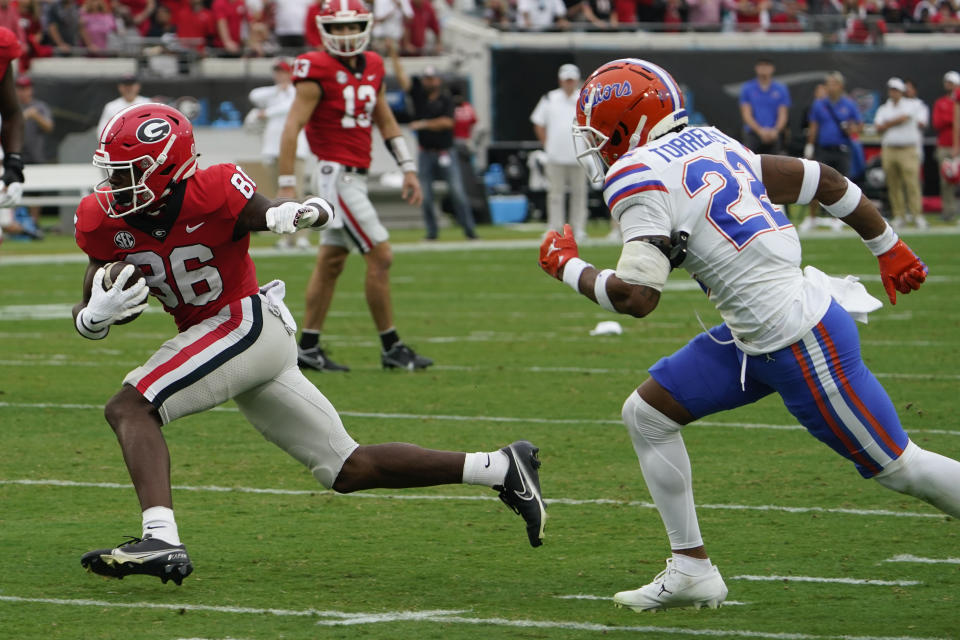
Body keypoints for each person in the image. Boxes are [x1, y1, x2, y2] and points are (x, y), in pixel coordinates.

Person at [540, 57, 959, 612]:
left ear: (625, 124)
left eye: (599, 133)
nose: (596, 146)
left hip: (800, 339)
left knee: (900, 467)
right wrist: (888, 246)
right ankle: (691, 568)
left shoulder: (636, 174)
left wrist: (567, 266)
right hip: (755, 336)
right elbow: (824, 181)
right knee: (647, 414)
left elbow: (637, 298)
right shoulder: (712, 141)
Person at [73, 102, 546, 586]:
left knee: (131, 407)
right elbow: (86, 303)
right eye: (113, 172)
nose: (117, 185)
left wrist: (292, 213)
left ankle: (161, 538)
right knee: (347, 468)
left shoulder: (213, 187)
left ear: (171, 168)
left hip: (243, 323)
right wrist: (93, 316)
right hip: (238, 340)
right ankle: (499, 467)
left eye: (130, 172)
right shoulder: (101, 218)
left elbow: (264, 209)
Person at [277, 0, 433, 372]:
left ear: (365, 26)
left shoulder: (375, 64)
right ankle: (392, 347)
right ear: (324, 31)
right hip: (335, 176)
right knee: (380, 256)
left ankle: (308, 348)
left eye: (352, 27)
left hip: (355, 175)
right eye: (338, 28)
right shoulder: (315, 67)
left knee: (331, 261)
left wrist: (408, 168)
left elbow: (386, 120)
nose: (346, 35)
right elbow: (292, 126)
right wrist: (286, 185)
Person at [390, 52, 478, 240]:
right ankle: (432, 232)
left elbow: (448, 122)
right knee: (426, 196)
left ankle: (470, 230)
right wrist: (393, 56)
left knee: (457, 193)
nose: (429, 82)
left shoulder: (446, 99)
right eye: (427, 79)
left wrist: (423, 124)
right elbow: (402, 79)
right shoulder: (419, 96)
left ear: (438, 80)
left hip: (446, 151)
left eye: (432, 79)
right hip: (425, 152)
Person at [246, 58, 312, 250]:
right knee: (279, 195)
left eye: (283, 72)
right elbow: (254, 95)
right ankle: (285, 237)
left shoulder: (297, 92)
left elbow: (289, 107)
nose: (280, 76)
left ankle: (302, 236)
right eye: (278, 72)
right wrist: (276, 92)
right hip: (273, 149)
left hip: (295, 150)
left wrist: (265, 113)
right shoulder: (272, 94)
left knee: (297, 191)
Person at [530, 63, 588, 241]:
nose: (569, 83)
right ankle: (554, 228)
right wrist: (547, 144)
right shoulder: (550, 98)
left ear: (577, 81)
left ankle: (578, 228)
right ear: (561, 81)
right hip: (555, 156)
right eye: (566, 80)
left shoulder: (583, 99)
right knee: (555, 194)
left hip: (578, 155)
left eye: (571, 80)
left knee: (579, 194)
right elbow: (538, 123)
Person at [801, 71, 862, 232]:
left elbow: (859, 125)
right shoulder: (819, 104)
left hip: (842, 148)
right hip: (823, 149)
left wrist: (852, 129)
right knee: (815, 182)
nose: (829, 86)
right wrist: (810, 146)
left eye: (832, 83)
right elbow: (814, 127)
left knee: (842, 184)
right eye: (828, 83)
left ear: (840, 86)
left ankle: (838, 218)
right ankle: (812, 217)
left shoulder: (849, 104)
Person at [875, 77, 927, 230]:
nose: (893, 93)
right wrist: (890, 123)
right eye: (891, 90)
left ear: (901, 92)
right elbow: (878, 127)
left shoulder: (913, 104)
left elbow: (904, 118)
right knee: (893, 184)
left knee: (912, 183)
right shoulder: (884, 108)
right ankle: (899, 215)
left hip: (908, 149)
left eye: (896, 90)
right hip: (890, 149)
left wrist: (887, 124)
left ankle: (917, 215)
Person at [739, 58, 790, 155]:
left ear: (772, 68)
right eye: (761, 66)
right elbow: (746, 114)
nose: (764, 68)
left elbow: (783, 114)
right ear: (756, 68)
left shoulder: (781, 89)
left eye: (767, 66)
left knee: (774, 167)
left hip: (774, 134)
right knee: (751, 165)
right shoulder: (748, 88)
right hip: (753, 134)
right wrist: (760, 131)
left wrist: (775, 130)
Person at [932, 70, 959, 222]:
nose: (948, 85)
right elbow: (937, 123)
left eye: (951, 83)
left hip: (958, 145)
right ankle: (948, 212)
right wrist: (953, 118)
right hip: (944, 145)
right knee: (946, 180)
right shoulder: (940, 102)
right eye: (947, 83)